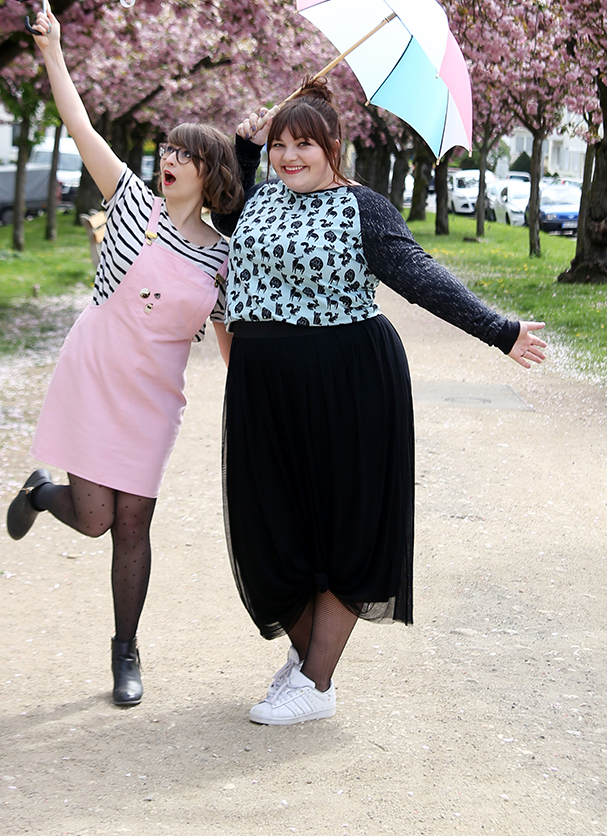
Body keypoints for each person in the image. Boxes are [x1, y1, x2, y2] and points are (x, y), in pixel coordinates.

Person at [212, 79, 546, 726]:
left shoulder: (363, 207)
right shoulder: (257, 202)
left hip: (349, 385)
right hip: (265, 392)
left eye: (302, 143)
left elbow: (419, 277)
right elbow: (224, 202)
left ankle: (315, 679)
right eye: (279, 143)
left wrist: (499, 330)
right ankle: (310, 657)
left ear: (332, 146)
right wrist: (242, 140)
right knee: (270, 530)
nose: (288, 156)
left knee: (345, 530)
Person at [6, 7, 243, 707]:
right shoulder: (131, 202)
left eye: (184, 154)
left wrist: (257, 399)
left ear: (210, 174)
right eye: (166, 149)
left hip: (153, 398)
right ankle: (40, 493)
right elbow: (79, 124)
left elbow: (229, 344)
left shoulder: (224, 257)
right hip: (95, 372)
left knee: (132, 522)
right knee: (93, 516)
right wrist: (53, 52)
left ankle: (126, 650)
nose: (167, 160)